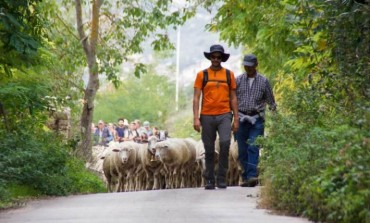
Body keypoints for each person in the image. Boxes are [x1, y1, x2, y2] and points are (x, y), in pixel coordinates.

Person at [193, 44, 239, 190]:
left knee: (225, 143)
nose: (216, 59)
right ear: (210, 58)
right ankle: (209, 179)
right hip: (206, 116)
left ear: (222, 59)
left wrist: (236, 118)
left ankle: (221, 177)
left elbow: (233, 98)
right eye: (213, 57)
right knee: (209, 148)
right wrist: (196, 118)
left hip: (225, 114)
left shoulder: (228, 74)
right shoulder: (202, 75)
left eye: (219, 57)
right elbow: (196, 98)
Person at [235, 54, 277, 187]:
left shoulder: (263, 81)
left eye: (250, 65)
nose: (248, 68)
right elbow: (232, 100)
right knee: (242, 150)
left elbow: (271, 101)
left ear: (256, 65)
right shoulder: (238, 80)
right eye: (246, 65)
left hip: (257, 119)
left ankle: (252, 175)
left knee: (253, 146)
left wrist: (276, 118)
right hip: (241, 118)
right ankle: (246, 176)